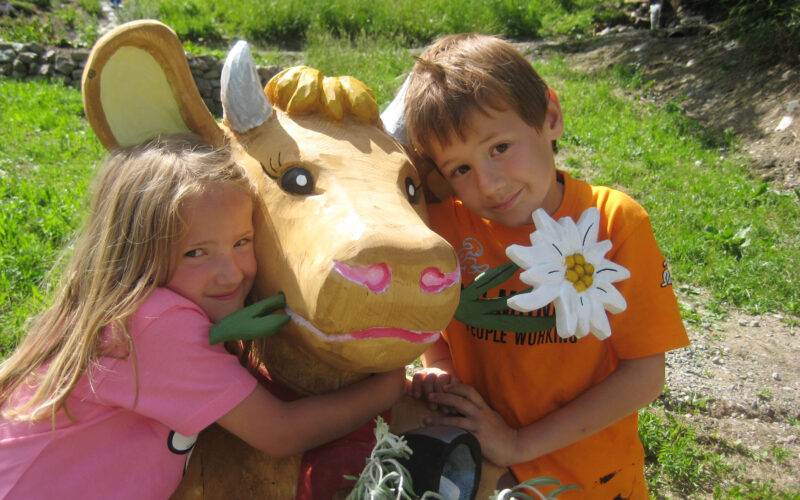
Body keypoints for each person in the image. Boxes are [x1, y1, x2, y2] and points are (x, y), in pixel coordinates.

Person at [0, 135, 405, 499]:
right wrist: (387, 388)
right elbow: (280, 432)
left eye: (242, 242)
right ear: (137, 254)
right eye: (196, 252)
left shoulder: (109, 308)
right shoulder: (155, 324)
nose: (230, 273)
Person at [397, 33, 690, 498]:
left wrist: (518, 443)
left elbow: (644, 376)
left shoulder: (615, 225)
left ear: (550, 116)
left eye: (499, 148)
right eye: (460, 170)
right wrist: (439, 362)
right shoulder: (443, 228)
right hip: (482, 472)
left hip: (595, 479)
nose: (490, 184)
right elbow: (424, 303)